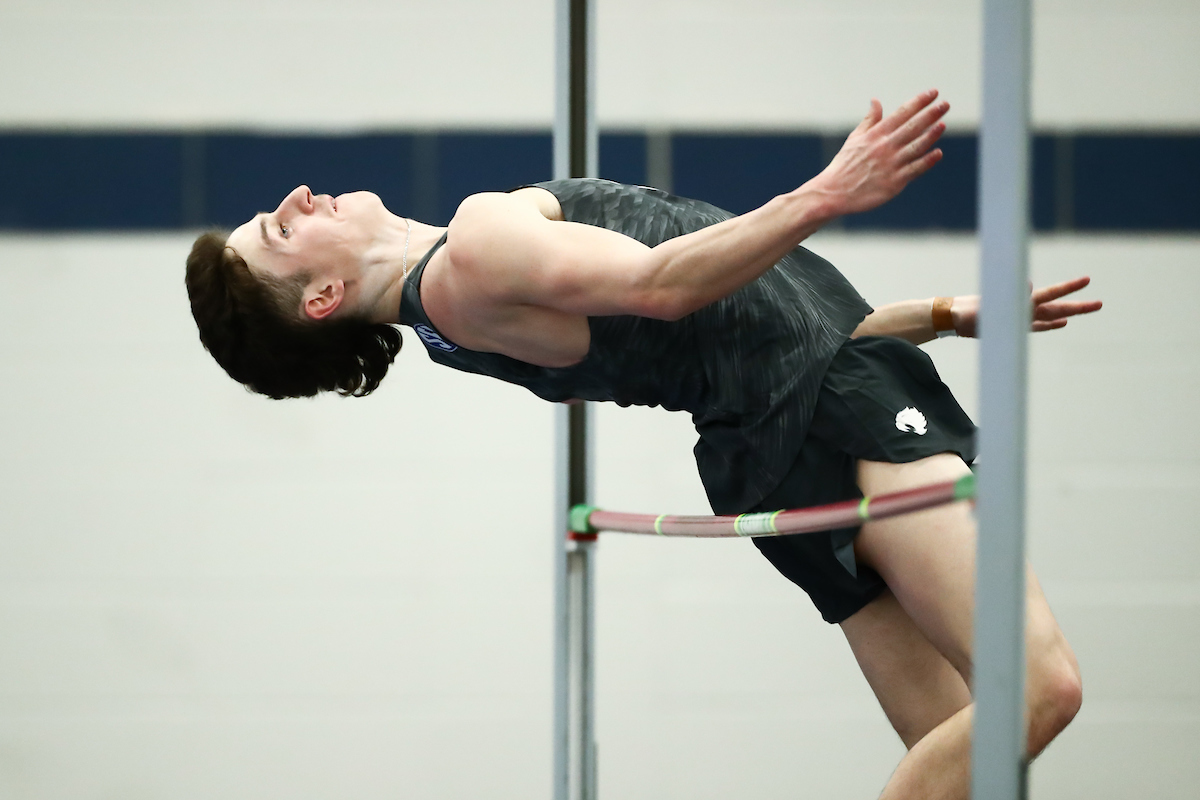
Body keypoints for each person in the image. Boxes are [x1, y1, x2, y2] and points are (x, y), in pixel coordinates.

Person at [185, 90, 1100, 798]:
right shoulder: (473, 249)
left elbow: (748, 330)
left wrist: (936, 316)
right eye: (281, 231)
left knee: (969, 757)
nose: (298, 199)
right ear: (319, 301)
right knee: (1036, 687)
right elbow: (668, 288)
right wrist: (828, 192)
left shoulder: (448, 317)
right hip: (832, 408)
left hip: (777, 434)